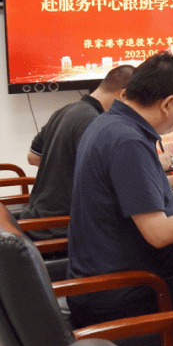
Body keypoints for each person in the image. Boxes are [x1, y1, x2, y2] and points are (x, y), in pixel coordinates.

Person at [66, 52, 173, 328]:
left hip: (101, 283)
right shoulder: (128, 142)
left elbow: (126, 190)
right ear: (168, 104)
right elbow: (158, 233)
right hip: (124, 295)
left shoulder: (107, 123)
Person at [21, 65, 135, 239]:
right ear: (124, 95)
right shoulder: (95, 122)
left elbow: (33, 157)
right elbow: (111, 182)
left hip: (37, 218)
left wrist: (64, 169)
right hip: (61, 228)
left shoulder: (66, 110)